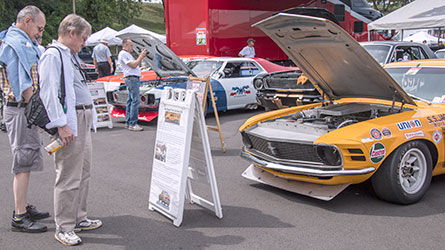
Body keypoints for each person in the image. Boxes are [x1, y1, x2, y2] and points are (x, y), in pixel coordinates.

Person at [39, 14, 101, 246]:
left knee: (83, 172)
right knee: (68, 176)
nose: (84, 43)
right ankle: (64, 226)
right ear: (71, 32)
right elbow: (48, 92)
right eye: (83, 38)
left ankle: (78, 217)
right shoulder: (53, 56)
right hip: (70, 120)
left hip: (81, 117)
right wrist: (61, 125)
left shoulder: (68, 55)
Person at [0, 5, 49, 233]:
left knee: (26, 159)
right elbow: (24, 85)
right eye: (39, 28)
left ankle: (23, 206)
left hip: (22, 109)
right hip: (21, 108)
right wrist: (45, 118)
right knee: (23, 162)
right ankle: (19, 216)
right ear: (27, 21)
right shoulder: (15, 45)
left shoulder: (22, 43)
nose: (40, 33)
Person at [118, 38, 147, 131]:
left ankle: (128, 121)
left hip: (132, 78)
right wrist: (141, 56)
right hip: (131, 78)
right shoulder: (123, 54)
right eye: (130, 45)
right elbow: (133, 65)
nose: (132, 47)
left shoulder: (127, 54)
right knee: (135, 100)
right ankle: (133, 123)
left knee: (130, 101)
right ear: (125, 45)